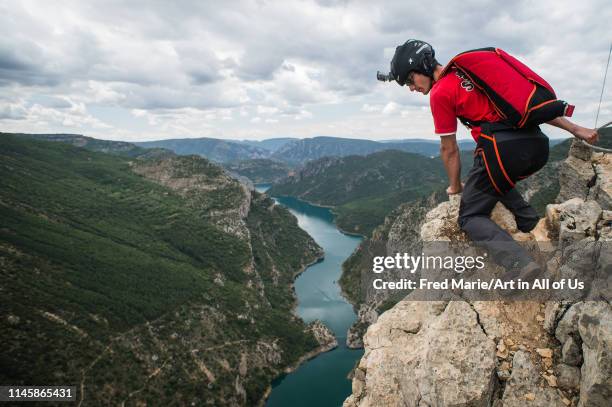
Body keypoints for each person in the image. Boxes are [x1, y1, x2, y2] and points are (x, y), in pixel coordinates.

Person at [385, 39, 599, 278]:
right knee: (492, 181)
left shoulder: (441, 92)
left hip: (503, 151)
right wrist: (575, 129)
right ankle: (531, 224)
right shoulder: (471, 74)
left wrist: (455, 187)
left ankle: (519, 263)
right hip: (536, 146)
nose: (411, 88)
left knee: (470, 215)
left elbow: (449, 149)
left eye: (409, 80)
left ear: (421, 68)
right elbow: (529, 107)